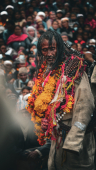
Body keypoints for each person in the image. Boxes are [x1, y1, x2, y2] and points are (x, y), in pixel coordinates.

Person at [27, 30, 95, 170]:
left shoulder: (74, 68)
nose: (49, 54)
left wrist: (73, 142)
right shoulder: (48, 71)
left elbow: (85, 106)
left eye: (52, 48)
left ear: (59, 46)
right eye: (45, 50)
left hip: (75, 142)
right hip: (56, 139)